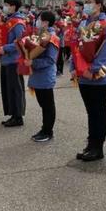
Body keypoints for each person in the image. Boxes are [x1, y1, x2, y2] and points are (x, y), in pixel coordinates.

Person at [72, 0, 106, 161]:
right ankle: (90, 144)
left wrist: (94, 70)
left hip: (97, 76)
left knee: (98, 111)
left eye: (89, 2)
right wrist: (75, 67)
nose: (86, 5)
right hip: (83, 74)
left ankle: (98, 147)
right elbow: (76, 46)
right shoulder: (83, 22)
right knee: (90, 112)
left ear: (99, 5)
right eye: (85, 2)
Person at [26, 10, 60, 142]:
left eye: (39, 19)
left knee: (47, 105)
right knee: (43, 104)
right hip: (38, 75)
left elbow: (50, 60)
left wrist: (33, 62)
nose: (37, 22)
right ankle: (44, 129)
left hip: (45, 75)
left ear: (45, 22)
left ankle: (48, 131)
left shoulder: (52, 38)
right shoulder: (41, 34)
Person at [0, 0, 27, 127]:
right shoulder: (8, 20)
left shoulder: (18, 22)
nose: (4, 7)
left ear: (13, 6)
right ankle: (12, 114)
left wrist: (5, 48)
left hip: (14, 60)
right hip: (5, 59)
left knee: (15, 88)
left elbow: (20, 42)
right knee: (8, 88)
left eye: (6, 4)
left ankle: (18, 116)